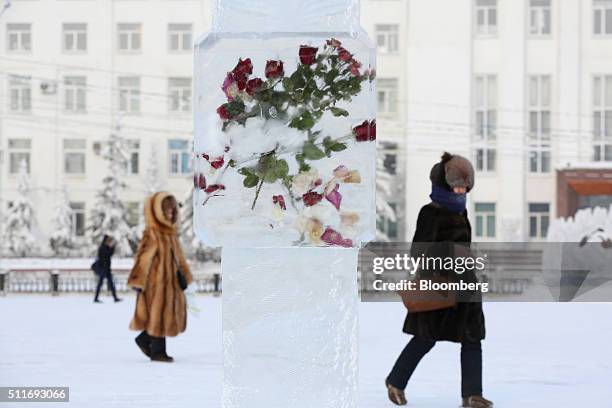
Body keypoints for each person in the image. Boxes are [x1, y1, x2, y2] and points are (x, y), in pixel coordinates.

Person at [385, 152, 493, 408]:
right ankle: (395, 382)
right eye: (456, 184)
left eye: (464, 186)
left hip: (465, 286)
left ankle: (472, 396)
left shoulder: (462, 211)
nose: (460, 189)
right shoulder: (430, 212)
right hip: (438, 285)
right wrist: (451, 253)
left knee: (472, 339)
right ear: (442, 183)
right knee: (425, 338)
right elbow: (418, 252)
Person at [127, 192, 193, 363]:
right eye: (166, 211)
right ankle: (157, 352)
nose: (170, 214)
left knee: (165, 314)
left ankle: (144, 340)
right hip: (155, 282)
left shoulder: (170, 233)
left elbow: (179, 258)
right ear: (157, 212)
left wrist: (184, 275)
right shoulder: (153, 233)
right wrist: (138, 280)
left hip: (171, 283)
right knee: (158, 315)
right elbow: (143, 258)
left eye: (172, 211)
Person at [93, 235, 122, 303]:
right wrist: (112, 247)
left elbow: (110, 253)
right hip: (103, 269)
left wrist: (112, 247)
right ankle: (96, 298)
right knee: (101, 284)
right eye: (109, 241)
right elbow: (107, 255)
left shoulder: (105, 247)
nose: (109, 242)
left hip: (106, 269)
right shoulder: (102, 248)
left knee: (109, 284)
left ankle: (115, 297)